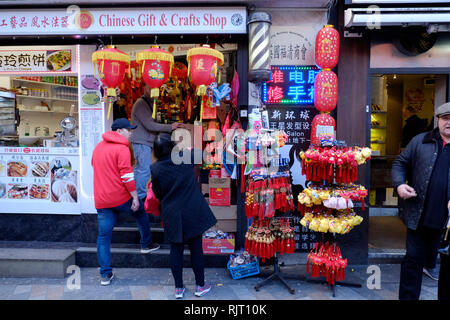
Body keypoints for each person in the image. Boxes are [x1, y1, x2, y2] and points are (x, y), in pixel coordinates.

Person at [91, 118, 160, 286]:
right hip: (120, 197)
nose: (131, 133)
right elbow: (127, 177)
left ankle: (105, 275)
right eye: (129, 130)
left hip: (101, 199)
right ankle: (145, 243)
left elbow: (94, 166)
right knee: (141, 212)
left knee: (103, 237)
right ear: (119, 131)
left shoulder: (98, 147)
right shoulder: (122, 149)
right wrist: (135, 197)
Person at [392, 102, 450, 300]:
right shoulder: (421, 141)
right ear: (438, 120)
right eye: (445, 118)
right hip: (419, 215)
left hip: (448, 222)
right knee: (413, 262)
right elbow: (400, 162)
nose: (449, 122)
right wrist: (399, 185)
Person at [150, 133, 217, 299]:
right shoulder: (186, 157)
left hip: (172, 212)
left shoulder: (155, 168)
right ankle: (200, 286)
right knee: (196, 247)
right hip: (192, 209)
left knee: (176, 248)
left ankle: (178, 288)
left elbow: (157, 193)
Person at [130, 84, 183, 201]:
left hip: (143, 142)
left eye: (156, 88)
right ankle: (140, 198)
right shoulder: (141, 104)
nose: (154, 90)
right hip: (141, 142)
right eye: (151, 88)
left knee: (140, 169)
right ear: (145, 88)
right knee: (144, 170)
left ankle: (134, 196)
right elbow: (150, 125)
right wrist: (170, 127)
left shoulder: (148, 103)